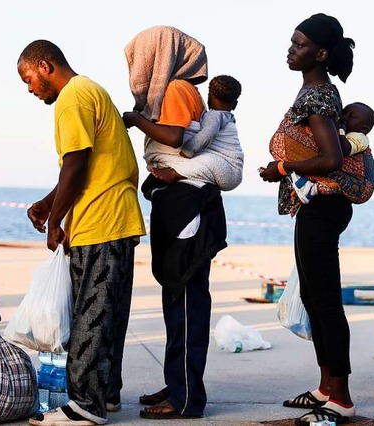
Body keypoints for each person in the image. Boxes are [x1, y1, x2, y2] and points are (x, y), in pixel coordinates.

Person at [17, 40, 146, 425]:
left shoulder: (72, 97)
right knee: (109, 313)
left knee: (90, 314)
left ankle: (84, 407)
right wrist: (48, 203)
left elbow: (74, 164)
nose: (29, 89)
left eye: (28, 79)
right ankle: (106, 395)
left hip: (100, 222)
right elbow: (83, 166)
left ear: (45, 66)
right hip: (117, 219)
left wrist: (55, 221)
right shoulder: (91, 90)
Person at [260, 13, 374, 425]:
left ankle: (340, 399)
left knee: (325, 302)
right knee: (312, 297)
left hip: (324, 207)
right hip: (315, 207)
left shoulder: (320, 97)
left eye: (300, 44)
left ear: (321, 53)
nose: (291, 49)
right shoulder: (313, 92)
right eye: (292, 42)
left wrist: (282, 167)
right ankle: (325, 387)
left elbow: (331, 158)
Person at [121, 25, 229, 420]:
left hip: (189, 208)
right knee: (176, 300)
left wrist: (134, 119)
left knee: (185, 302)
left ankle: (186, 399)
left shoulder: (178, 90)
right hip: (179, 204)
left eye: (142, 58)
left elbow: (177, 136)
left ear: (159, 56)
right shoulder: (172, 93)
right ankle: (177, 382)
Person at [148, 74, 244, 191]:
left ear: (209, 97)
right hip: (229, 170)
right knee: (205, 163)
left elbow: (206, 135)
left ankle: (175, 174)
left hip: (228, 170)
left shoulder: (214, 115)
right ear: (235, 105)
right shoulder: (226, 117)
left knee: (207, 162)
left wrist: (188, 150)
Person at [291, 101, 374, 203]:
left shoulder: (360, 138)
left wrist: (341, 130)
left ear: (364, 129)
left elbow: (344, 149)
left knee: (335, 182)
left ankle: (313, 190)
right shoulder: (344, 133)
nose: (345, 117)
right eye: (344, 112)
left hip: (360, 185)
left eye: (352, 116)